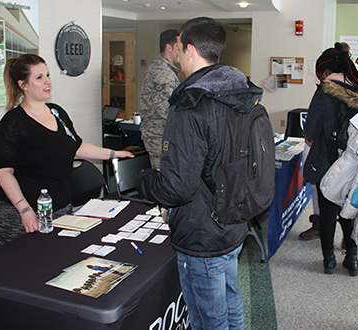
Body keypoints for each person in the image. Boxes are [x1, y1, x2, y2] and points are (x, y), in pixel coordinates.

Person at [136, 17, 263, 329]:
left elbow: (176, 188)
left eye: (179, 48)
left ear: (189, 50)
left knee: (208, 319)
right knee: (230, 299)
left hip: (202, 231)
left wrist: (145, 181)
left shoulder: (191, 103)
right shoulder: (239, 92)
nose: (177, 55)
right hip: (233, 219)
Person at [0, 54, 133, 250]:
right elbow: (4, 172)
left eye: (47, 75)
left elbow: (76, 147)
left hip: (60, 211)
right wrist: (24, 210)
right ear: (23, 84)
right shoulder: (12, 123)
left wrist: (114, 154)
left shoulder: (57, 112)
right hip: (20, 216)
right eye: (39, 77)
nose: (47, 81)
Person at [303, 45, 358, 276]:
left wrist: (313, 138)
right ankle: (352, 259)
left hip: (328, 160)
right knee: (350, 208)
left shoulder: (325, 91)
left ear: (326, 72)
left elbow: (311, 131)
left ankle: (328, 260)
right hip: (357, 163)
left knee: (327, 212)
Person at [139, 29, 180, 169]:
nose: (182, 51)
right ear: (169, 47)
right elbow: (165, 110)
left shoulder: (164, 69)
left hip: (162, 136)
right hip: (158, 138)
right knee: (161, 179)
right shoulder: (162, 72)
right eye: (178, 47)